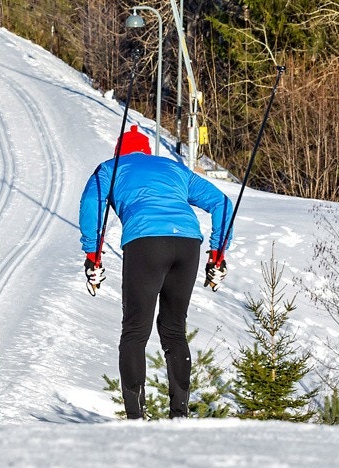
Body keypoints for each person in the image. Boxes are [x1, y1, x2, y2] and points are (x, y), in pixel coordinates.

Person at [79, 125, 230, 420]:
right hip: (187, 244)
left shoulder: (111, 168)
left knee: (135, 331)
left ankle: (136, 416)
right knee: (174, 329)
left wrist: (92, 256)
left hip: (146, 242)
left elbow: (91, 204)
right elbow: (221, 202)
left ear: (118, 151)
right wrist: (217, 255)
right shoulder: (173, 168)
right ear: (147, 152)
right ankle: (179, 414)